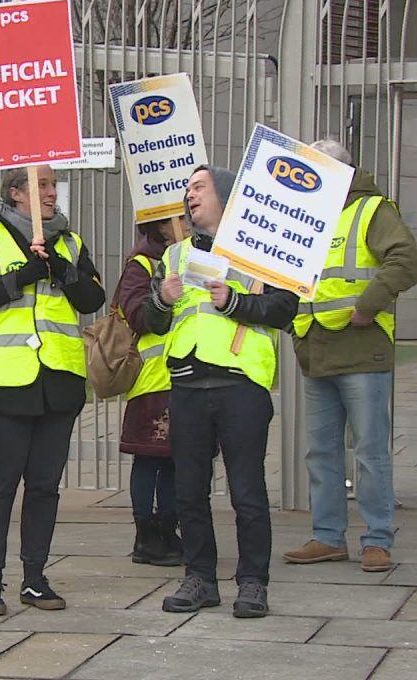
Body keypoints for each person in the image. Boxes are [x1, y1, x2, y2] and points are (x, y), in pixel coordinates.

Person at [0, 164, 105, 616]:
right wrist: (19, 278)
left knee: (44, 487)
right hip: (4, 383)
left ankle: (35, 578)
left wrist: (60, 269)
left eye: (53, 185)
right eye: (42, 185)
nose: (52, 193)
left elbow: (92, 300)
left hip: (58, 383)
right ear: (16, 193)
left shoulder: (70, 242)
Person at [144, 165, 298, 618]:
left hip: (239, 386)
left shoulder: (259, 251)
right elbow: (152, 324)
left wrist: (234, 302)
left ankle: (252, 582)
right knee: (188, 491)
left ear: (226, 197)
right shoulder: (174, 256)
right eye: (187, 189)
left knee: (246, 491)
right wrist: (162, 300)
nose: (189, 196)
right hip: (187, 385)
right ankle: (200, 578)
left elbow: (284, 308)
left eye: (199, 188)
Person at [282, 139, 417, 573]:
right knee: (321, 451)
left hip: (361, 349)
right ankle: (328, 537)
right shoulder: (304, 214)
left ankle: (376, 539)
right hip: (316, 348)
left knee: (369, 452)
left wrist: (367, 306)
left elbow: (406, 261)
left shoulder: (372, 209)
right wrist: (292, 320)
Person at [116, 218, 183, 566]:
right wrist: (164, 296)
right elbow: (136, 316)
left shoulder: (189, 255)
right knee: (149, 458)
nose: (186, 223)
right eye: (180, 219)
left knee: (175, 460)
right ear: (162, 226)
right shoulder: (143, 263)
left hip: (184, 375)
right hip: (155, 379)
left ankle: (169, 530)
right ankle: (146, 535)